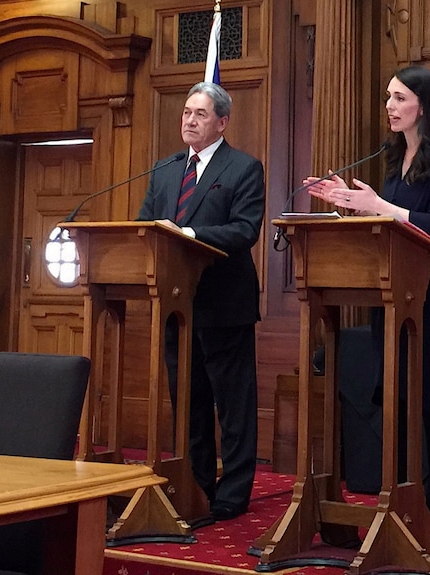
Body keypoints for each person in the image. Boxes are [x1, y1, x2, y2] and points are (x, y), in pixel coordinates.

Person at [304, 65, 430, 545]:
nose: (390, 107)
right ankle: (396, 501)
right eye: (387, 98)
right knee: (395, 396)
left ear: (423, 103)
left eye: (399, 98)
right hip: (389, 290)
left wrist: (381, 206)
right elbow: (389, 223)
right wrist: (352, 205)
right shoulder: (392, 154)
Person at [137, 81, 266, 521]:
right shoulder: (166, 168)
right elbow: (145, 225)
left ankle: (233, 493)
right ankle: (196, 483)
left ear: (222, 122)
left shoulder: (243, 168)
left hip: (224, 304)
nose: (190, 120)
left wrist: (191, 235)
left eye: (200, 114)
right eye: (187, 112)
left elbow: (245, 230)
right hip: (178, 305)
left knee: (233, 406)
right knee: (188, 403)